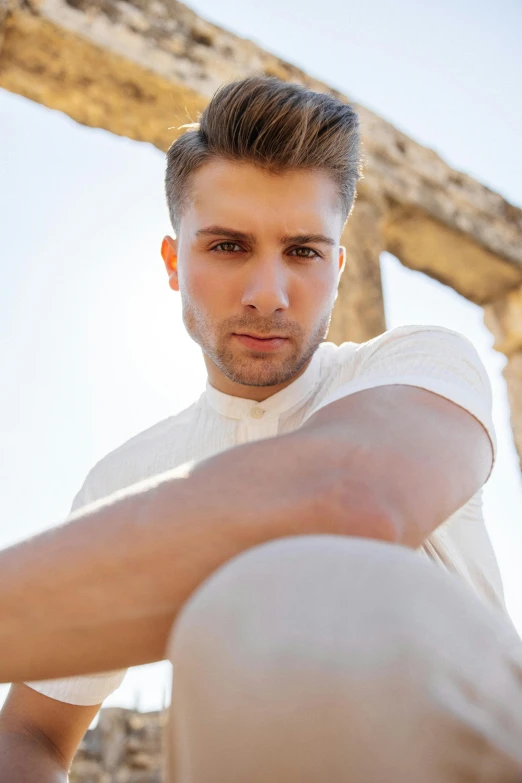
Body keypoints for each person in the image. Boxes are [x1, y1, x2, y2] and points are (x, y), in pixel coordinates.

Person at [1, 75, 521, 783]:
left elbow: (345, 499)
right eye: (228, 246)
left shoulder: (423, 367)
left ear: (338, 268)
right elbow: (30, 730)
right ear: (173, 262)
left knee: (269, 589)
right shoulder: (123, 478)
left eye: (303, 251)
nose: (268, 294)